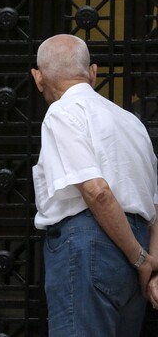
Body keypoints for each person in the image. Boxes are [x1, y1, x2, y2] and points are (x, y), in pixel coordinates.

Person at [30, 34, 158, 337]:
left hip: (87, 246)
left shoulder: (62, 113)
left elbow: (96, 191)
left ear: (38, 78)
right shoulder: (131, 123)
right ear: (93, 72)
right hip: (135, 253)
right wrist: (150, 264)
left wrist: (139, 258)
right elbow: (155, 205)